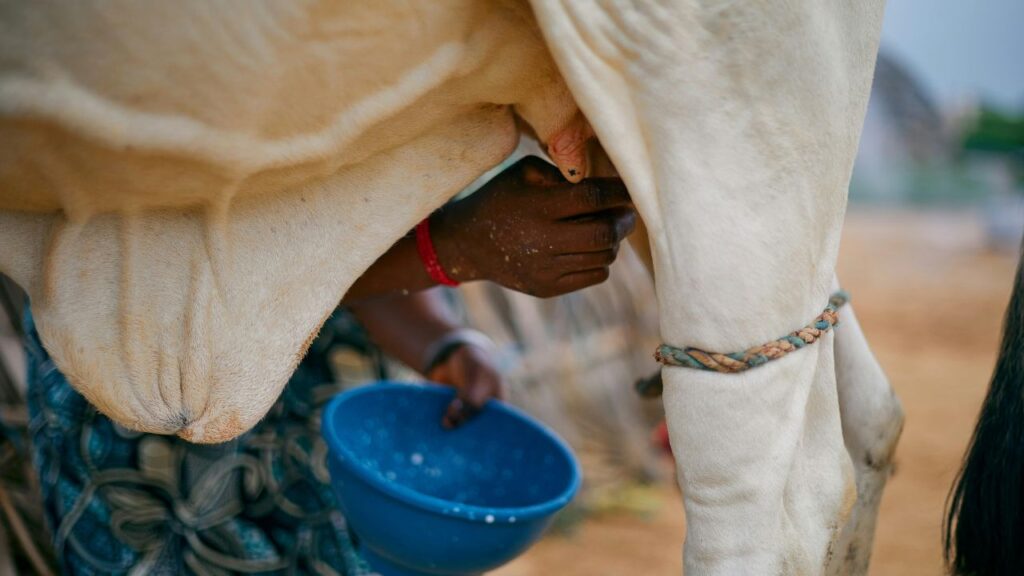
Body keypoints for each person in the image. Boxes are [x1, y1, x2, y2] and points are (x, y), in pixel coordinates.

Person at [25, 157, 636, 575]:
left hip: (324, 428)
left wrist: (442, 343)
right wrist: (455, 248)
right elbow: (175, 280)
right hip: (145, 398)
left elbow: (368, 229)